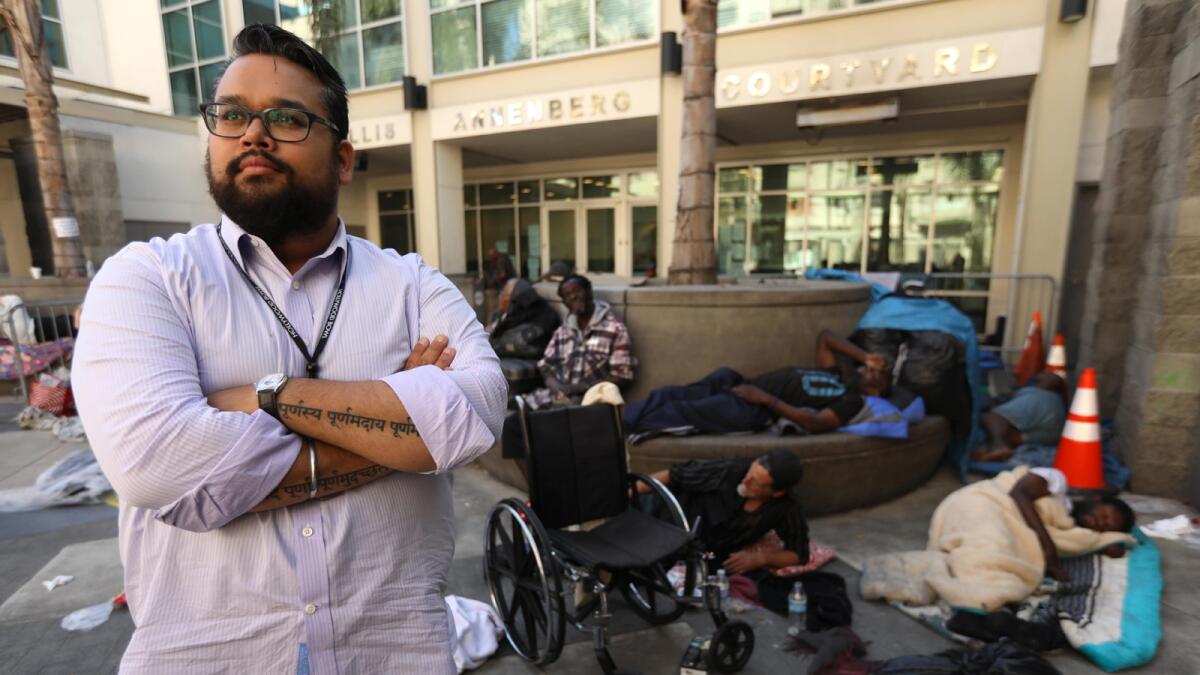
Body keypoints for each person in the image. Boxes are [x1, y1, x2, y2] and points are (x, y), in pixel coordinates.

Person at [71, 25, 505, 674]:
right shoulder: (146, 277)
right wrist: (398, 428)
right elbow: (159, 468)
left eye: (287, 118)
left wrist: (266, 398)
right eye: (233, 114)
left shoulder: (413, 283)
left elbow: (475, 415)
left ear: (345, 158)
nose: (253, 133)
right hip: (206, 655)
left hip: (393, 647)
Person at [624, 329, 890, 437]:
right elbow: (825, 337)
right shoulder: (837, 376)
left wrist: (764, 399)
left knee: (680, 412)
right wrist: (866, 356)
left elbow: (815, 423)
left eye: (874, 373)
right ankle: (615, 416)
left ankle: (618, 427)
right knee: (669, 393)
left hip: (755, 409)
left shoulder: (851, 402)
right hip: (743, 386)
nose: (867, 369)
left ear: (876, 390)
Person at [501, 273, 635, 459]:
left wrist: (576, 389)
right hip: (556, 397)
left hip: (590, 401)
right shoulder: (564, 330)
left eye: (577, 291)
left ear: (588, 292)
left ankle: (554, 483)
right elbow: (545, 365)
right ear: (564, 302)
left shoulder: (614, 328)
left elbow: (623, 375)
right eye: (567, 295)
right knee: (511, 428)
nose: (574, 297)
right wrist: (555, 387)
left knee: (550, 435)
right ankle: (536, 486)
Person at [638, 450, 809, 574]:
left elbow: (798, 554)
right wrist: (626, 493)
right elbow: (673, 475)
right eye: (751, 471)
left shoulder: (786, 507)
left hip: (698, 549)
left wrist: (761, 559)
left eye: (756, 483)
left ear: (777, 492)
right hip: (663, 515)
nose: (746, 479)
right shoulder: (728, 471)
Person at [1009, 466, 1135, 582]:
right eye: (1104, 515)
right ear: (1096, 499)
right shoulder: (1057, 482)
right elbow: (1018, 494)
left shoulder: (1070, 531)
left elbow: (1096, 542)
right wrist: (1048, 547)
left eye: (1105, 527)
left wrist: (1104, 546)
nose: (1100, 522)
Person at [972, 371, 1068, 462]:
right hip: (1045, 435)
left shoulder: (1039, 396)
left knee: (991, 417)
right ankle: (998, 446)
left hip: (1039, 428)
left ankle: (998, 445)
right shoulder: (1053, 400)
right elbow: (1018, 438)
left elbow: (998, 416)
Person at [487, 278, 561, 359]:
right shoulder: (501, 314)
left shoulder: (533, 313)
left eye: (505, 294)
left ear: (514, 297)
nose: (501, 298)